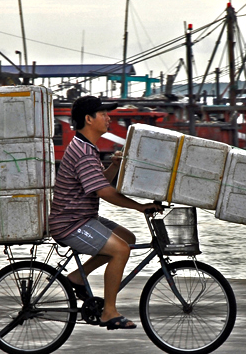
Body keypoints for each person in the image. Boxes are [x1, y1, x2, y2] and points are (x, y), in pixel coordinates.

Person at [48, 95, 163, 331]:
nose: (108, 118)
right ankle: (109, 312)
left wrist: (113, 166)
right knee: (120, 250)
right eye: (103, 114)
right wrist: (140, 206)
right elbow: (104, 192)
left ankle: (77, 278)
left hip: (82, 218)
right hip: (70, 223)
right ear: (89, 119)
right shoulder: (82, 151)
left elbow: (99, 182)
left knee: (128, 240)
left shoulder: (86, 147)